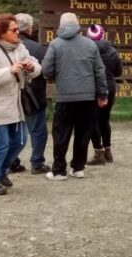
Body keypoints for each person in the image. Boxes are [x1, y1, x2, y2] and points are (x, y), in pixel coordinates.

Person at [0, 13, 41, 195]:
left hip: (17, 104)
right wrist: (9, 71)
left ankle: (1, 171)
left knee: (20, 140)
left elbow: (36, 66)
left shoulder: (19, 48)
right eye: (14, 30)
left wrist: (31, 67)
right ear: (2, 32)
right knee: (1, 144)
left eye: (18, 29)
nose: (17, 32)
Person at [41, 13, 108, 181]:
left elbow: (46, 70)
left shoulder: (55, 44)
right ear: (78, 25)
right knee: (83, 134)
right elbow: (100, 71)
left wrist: (58, 74)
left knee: (61, 134)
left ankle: (58, 171)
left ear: (61, 25)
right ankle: (78, 168)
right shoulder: (90, 44)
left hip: (65, 97)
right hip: (87, 98)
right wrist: (102, 93)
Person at [8, 13, 51, 175]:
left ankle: (12, 162)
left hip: (12, 95)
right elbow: (46, 70)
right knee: (38, 130)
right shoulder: (38, 49)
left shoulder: (6, 47)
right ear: (30, 28)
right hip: (34, 96)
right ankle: (37, 162)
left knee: (13, 130)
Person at [85, 24, 123, 165]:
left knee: (93, 121)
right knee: (104, 120)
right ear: (103, 35)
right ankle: (108, 151)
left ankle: (98, 152)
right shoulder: (112, 51)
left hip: (93, 88)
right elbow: (118, 72)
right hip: (110, 87)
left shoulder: (88, 50)